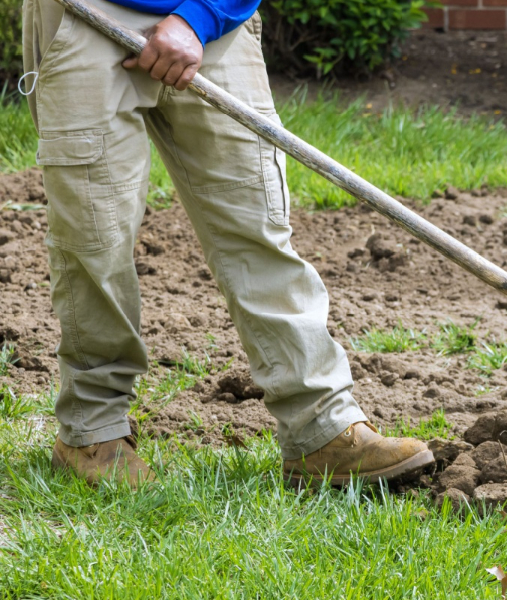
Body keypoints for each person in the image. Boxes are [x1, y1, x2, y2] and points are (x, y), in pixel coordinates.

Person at [20, 0, 433, 488]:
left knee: (256, 225)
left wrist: (202, 16)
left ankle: (322, 429)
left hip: (216, 24)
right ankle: (93, 431)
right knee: (95, 238)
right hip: (82, 12)